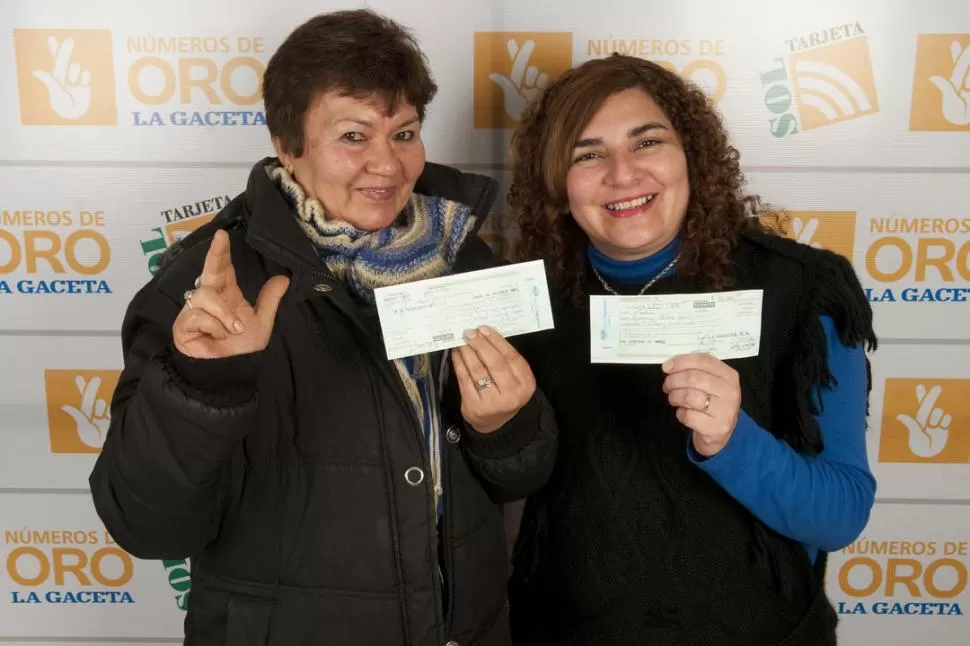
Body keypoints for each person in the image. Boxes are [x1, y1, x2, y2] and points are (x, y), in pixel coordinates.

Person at [89, 10, 557, 645]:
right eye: (353, 136)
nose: (387, 165)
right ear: (287, 145)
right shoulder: (208, 289)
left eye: (405, 133)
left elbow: (519, 479)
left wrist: (505, 429)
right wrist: (204, 388)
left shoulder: (465, 259)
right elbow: (145, 527)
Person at [504, 53, 877, 645]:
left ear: (691, 156)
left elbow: (840, 513)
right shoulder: (525, 302)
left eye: (646, 142)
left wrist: (733, 441)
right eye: (588, 153)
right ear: (557, 181)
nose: (623, 175)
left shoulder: (801, 288)